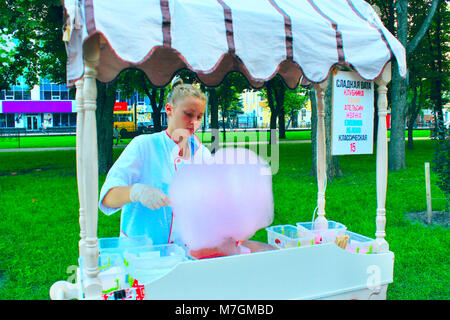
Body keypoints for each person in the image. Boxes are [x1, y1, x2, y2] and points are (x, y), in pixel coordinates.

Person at [99, 79, 211, 246]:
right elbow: (107, 198)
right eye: (188, 114)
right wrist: (135, 192)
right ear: (169, 110)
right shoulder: (144, 146)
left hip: (186, 252)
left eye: (199, 116)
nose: (194, 122)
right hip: (142, 253)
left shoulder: (203, 155)